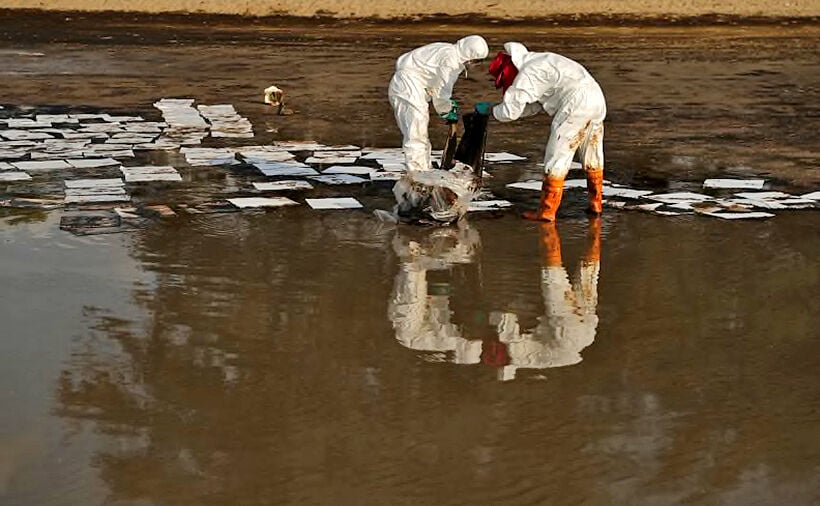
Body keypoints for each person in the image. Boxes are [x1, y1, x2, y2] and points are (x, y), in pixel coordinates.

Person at [477, 42, 607, 221]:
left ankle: (547, 211)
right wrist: (498, 108)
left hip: (575, 103)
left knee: (557, 156)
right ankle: (596, 204)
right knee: (593, 153)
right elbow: (534, 107)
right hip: (596, 99)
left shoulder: (528, 74)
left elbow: (510, 113)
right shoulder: (541, 61)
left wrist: (491, 110)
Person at [388, 35, 489, 173]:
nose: (474, 64)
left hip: (412, 87)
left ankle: (423, 170)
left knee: (420, 130)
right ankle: (417, 174)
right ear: (470, 55)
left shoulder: (449, 51)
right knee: (415, 131)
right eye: (475, 61)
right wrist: (447, 111)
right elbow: (441, 93)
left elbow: (436, 84)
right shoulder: (451, 61)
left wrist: (447, 107)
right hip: (407, 87)